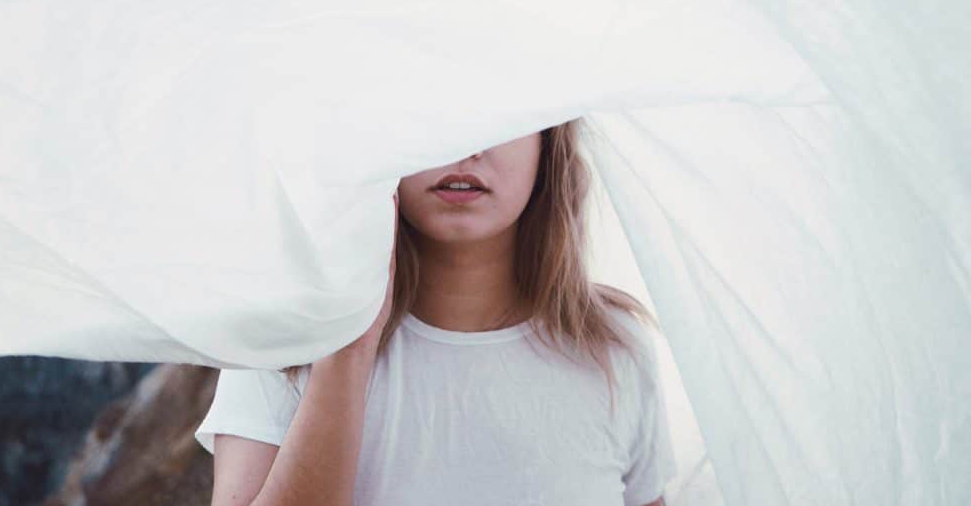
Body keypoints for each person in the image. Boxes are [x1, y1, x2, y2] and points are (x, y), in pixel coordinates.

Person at [194, 118, 678, 505]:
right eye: (435, 109)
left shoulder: (614, 347)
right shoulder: (283, 343)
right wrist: (346, 352)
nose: (465, 146)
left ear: (548, 142)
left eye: (500, 114)